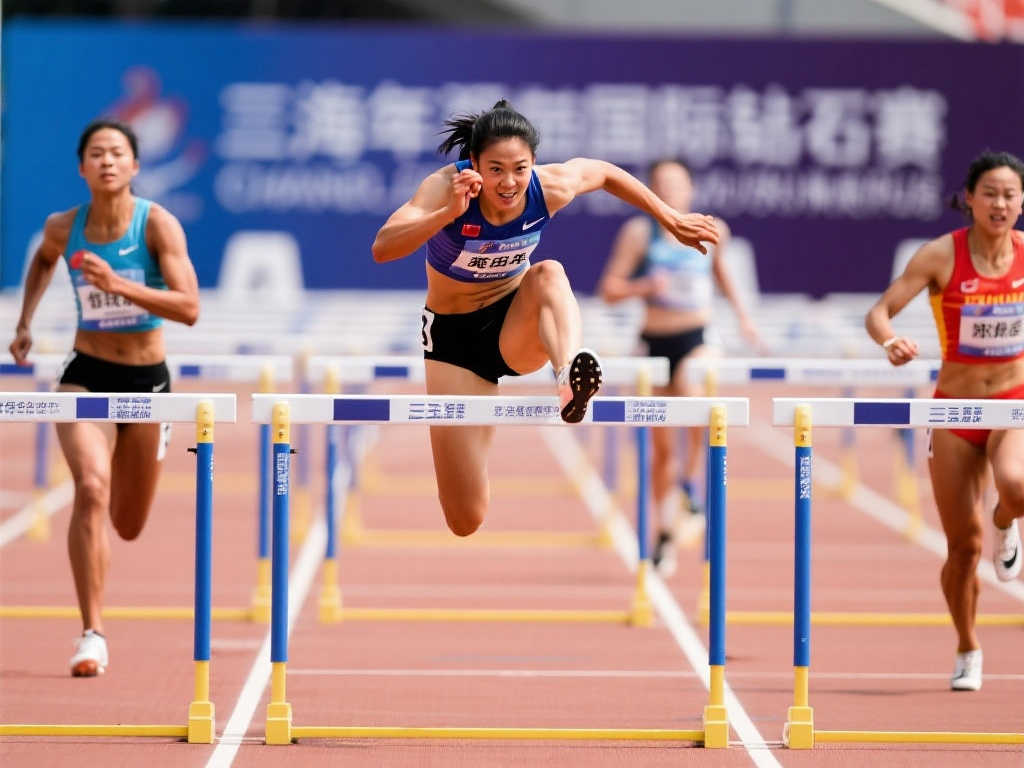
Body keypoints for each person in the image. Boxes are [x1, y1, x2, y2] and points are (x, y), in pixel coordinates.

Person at [372, 100, 720, 538]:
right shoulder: (445, 188)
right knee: (465, 518)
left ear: (533, 163)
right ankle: (488, 444)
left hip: (515, 322)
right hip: (454, 342)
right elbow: (383, 247)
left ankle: (567, 376)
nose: (509, 182)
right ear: (473, 164)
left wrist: (670, 218)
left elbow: (604, 173)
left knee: (549, 273)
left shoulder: (547, 187)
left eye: (520, 169)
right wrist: (447, 215)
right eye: (495, 170)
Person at [8, 119, 200, 676]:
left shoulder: (157, 225)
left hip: (149, 383)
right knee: (91, 487)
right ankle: (91, 634)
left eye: (117, 152)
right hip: (86, 374)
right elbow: (44, 259)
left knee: (129, 522)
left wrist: (119, 285)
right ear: (82, 167)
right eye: (97, 153)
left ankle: (118, 484)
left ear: (134, 165)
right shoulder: (63, 227)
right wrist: (24, 321)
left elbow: (189, 308)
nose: (107, 161)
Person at [865, 150, 1024, 692]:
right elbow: (878, 312)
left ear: (1021, 202)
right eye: (990, 194)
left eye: (1009, 195)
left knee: (1017, 485)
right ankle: (967, 645)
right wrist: (890, 341)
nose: (1000, 204)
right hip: (954, 409)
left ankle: (1006, 518)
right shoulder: (941, 255)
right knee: (963, 548)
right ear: (970, 199)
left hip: (1013, 402)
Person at [598, 159, 758, 576]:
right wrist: (643, 286)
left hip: (697, 339)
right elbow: (609, 289)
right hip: (654, 343)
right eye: (661, 184)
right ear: (650, 192)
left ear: (690, 189)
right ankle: (665, 531)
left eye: (677, 183)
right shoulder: (639, 233)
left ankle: (690, 485)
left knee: (693, 388)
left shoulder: (713, 229)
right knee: (661, 452)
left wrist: (744, 318)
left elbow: (722, 275)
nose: (670, 190)